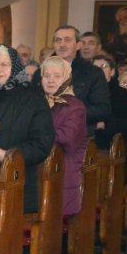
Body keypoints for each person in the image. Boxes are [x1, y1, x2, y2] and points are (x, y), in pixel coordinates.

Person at [0, 45, 55, 213]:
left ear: (15, 66)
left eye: (4, 64)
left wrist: (5, 155)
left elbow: (42, 143)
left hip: (18, 182)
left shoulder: (33, 98)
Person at [32, 25, 110, 135]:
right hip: (42, 133)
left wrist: (68, 113)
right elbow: (31, 104)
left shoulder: (93, 73)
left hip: (77, 135)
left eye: (67, 40)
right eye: (58, 40)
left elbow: (102, 109)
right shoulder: (40, 72)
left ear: (78, 45)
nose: (62, 44)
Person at [40, 57, 87, 216]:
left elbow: (66, 137)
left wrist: (35, 135)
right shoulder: (38, 102)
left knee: (57, 222)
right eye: (46, 75)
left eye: (57, 76)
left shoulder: (75, 107)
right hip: (39, 172)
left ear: (66, 78)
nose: (50, 80)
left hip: (63, 174)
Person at [91, 55, 127, 151]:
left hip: (113, 149)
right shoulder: (84, 93)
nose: (99, 70)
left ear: (112, 71)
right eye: (95, 67)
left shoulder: (126, 96)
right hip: (85, 146)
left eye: (103, 66)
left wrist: (105, 124)